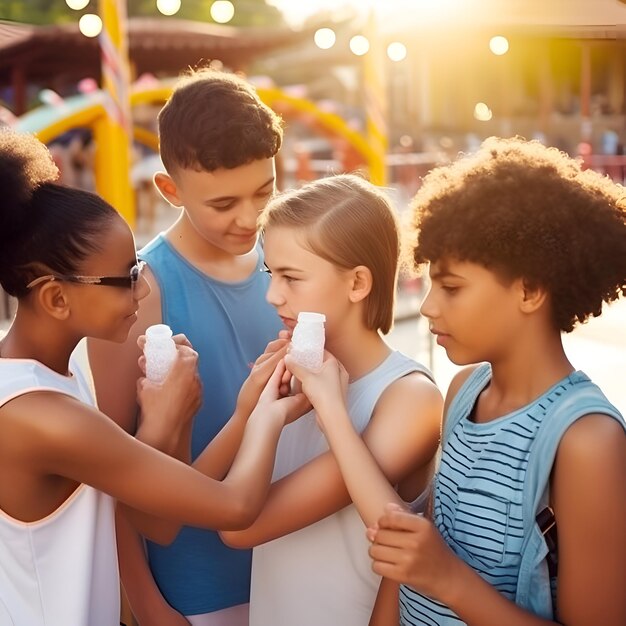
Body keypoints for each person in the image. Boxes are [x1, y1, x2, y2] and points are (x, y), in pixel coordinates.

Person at [289, 137, 626, 626]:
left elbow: (431, 567)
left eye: (451, 288)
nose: (427, 306)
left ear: (529, 290)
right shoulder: (464, 389)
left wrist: (447, 577)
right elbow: (411, 559)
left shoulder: (586, 440)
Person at [0, 130, 307, 626]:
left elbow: (158, 523)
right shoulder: (43, 417)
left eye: (138, 266)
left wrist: (192, 417)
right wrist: (270, 412)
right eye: (124, 278)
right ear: (57, 299)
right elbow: (234, 507)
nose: (143, 288)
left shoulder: (48, 383)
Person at [87, 69, 285, 625]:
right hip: (196, 590)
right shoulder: (144, 290)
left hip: (292, 560)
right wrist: (146, 603)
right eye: (223, 203)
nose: (249, 218)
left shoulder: (290, 260)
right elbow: (106, 465)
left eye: (263, 192)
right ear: (171, 190)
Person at [217, 174, 443, 626]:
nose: (271, 294)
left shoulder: (408, 399)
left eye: (291, 277)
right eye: (270, 272)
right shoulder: (295, 380)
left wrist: (266, 420)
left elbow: (240, 526)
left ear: (358, 283)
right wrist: (254, 408)